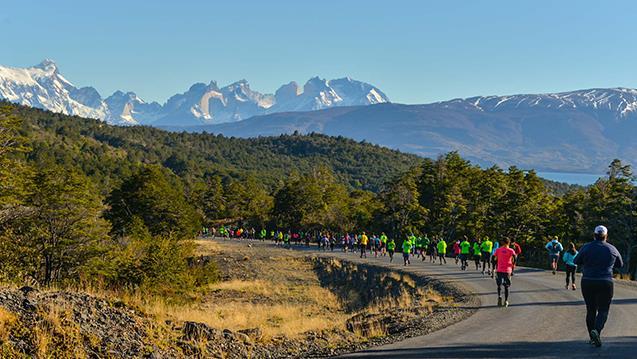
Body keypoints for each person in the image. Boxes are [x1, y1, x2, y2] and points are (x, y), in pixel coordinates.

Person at [574, 225, 623, 348]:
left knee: (591, 309)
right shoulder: (612, 248)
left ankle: (592, 337)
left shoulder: (586, 247)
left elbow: (576, 261)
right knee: (603, 310)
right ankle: (597, 331)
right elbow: (620, 264)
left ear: (594, 235)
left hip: (588, 281)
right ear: (606, 236)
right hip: (605, 281)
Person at [493, 238, 517, 307]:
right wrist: (513, 265)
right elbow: (515, 257)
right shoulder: (511, 250)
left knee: (499, 285)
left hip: (499, 269)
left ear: (502, 243)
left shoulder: (498, 250)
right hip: (507, 270)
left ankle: (499, 296)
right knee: (506, 286)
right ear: (509, 243)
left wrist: (493, 268)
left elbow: (494, 259)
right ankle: (506, 301)